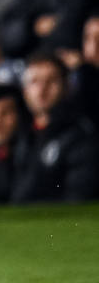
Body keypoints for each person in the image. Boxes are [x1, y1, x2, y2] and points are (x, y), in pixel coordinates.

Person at [14, 52, 99, 201]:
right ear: (25, 91)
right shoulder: (20, 134)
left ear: (67, 87)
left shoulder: (80, 135)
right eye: (34, 82)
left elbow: (79, 197)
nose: (42, 90)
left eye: (51, 81)